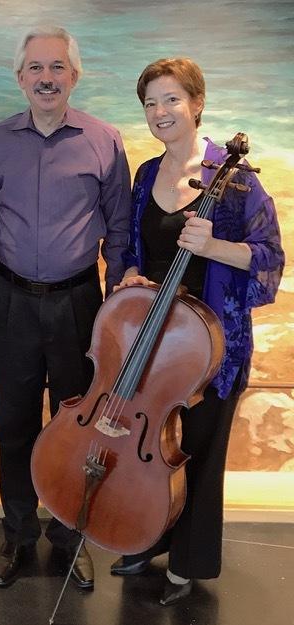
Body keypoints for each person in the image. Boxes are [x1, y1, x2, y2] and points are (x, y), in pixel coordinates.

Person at [110, 58, 284, 605]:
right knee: (155, 450)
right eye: (150, 103)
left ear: (197, 103)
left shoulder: (235, 183)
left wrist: (213, 248)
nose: (160, 112)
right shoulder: (145, 175)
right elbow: (137, 253)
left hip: (210, 344)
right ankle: (148, 538)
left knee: (199, 454)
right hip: (154, 341)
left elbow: (270, 258)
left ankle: (188, 563)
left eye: (171, 99)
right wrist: (130, 276)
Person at [0, 25, 131, 589]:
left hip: (79, 306)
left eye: (57, 67)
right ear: (20, 78)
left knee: (76, 430)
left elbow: (119, 232)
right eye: (36, 68)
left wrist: (113, 312)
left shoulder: (105, 140)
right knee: (14, 426)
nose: (46, 78)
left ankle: (69, 539)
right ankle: (17, 537)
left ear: (74, 75)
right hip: (13, 303)